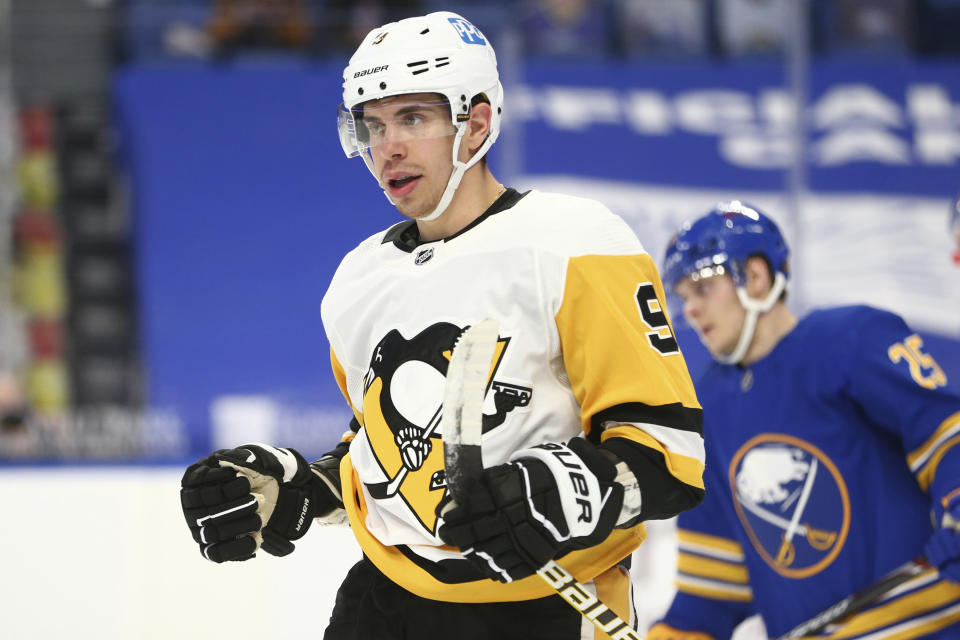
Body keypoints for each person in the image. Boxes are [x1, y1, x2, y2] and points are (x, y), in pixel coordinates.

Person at [179, 11, 707, 640]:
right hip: (385, 606)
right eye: (373, 126)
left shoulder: (578, 243)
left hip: (544, 608)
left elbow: (669, 452)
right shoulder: (358, 278)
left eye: (413, 119)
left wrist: (551, 490)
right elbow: (384, 449)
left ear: (476, 124)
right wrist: (296, 489)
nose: (387, 147)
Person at [647, 201, 960, 640]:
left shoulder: (851, 339)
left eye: (702, 287)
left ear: (755, 277)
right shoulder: (711, 406)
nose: (691, 310)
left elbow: (947, 434)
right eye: (683, 296)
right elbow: (714, 583)